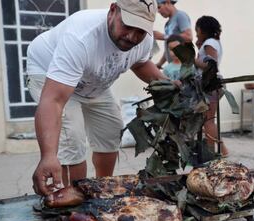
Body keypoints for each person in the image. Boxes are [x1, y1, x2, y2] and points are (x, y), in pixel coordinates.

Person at [26, 0, 171, 196]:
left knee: (110, 131)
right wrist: (48, 156)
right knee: (73, 140)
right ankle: (76, 202)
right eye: (128, 26)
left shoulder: (143, 40)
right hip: (49, 72)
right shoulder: (81, 37)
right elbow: (54, 101)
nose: (132, 36)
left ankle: (102, 191)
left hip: (92, 81)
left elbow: (140, 64)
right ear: (113, 10)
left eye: (140, 31)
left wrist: (171, 87)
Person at [194, 16, 228, 157]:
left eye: (197, 30)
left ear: (201, 29)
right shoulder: (212, 42)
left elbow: (211, 66)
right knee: (207, 119)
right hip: (211, 85)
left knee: (208, 120)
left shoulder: (209, 43)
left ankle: (210, 153)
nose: (196, 33)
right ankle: (222, 150)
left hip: (210, 84)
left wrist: (192, 59)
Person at [153, 0, 192, 69]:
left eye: (159, 7)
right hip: (174, 68)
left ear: (167, 2)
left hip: (183, 68)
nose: (158, 11)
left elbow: (189, 37)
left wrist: (163, 36)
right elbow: (169, 48)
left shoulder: (180, 15)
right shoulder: (167, 24)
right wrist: (159, 64)